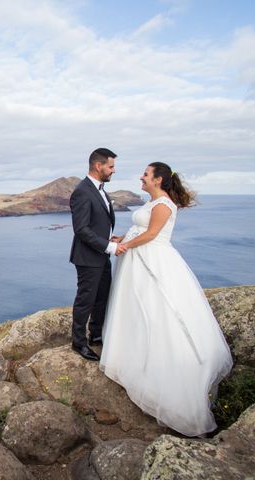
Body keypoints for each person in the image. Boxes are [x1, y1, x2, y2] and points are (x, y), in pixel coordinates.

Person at [99, 162, 233, 436]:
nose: (141, 177)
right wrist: (122, 236)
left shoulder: (163, 204)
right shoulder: (154, 202)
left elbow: (151, 235)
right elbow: (140, 231)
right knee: (138, 309)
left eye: (145, 174)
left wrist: (122, 246)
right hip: (141, 260)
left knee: (159, 310)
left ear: (158, 180)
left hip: (153, 263)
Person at [69, 147, 119, 361]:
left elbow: (98, 223)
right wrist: (109, 247)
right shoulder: (82, 191)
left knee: (102, 297)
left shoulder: (100, 189)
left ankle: (96, 335)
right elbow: (81, 229)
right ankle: (78, 343)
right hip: (89, 257)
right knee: (86, 300)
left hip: (101, 253)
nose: (113, 171)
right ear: (98, 166)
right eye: (111, 166)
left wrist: (109, 240)